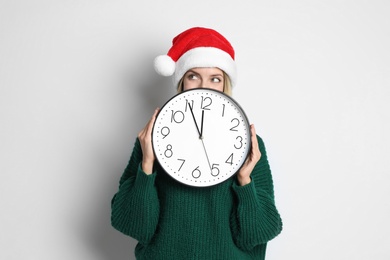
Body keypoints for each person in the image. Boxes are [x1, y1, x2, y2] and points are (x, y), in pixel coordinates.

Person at [111, 27, 282, 260]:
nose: (203, 86)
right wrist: (147, 167)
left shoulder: (250, 145)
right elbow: (133, 227)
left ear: (225, 85)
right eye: (194, 76)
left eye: (215, 78)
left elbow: (258, 233)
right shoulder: (151, 139)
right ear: (182, 81)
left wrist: (245, 182)